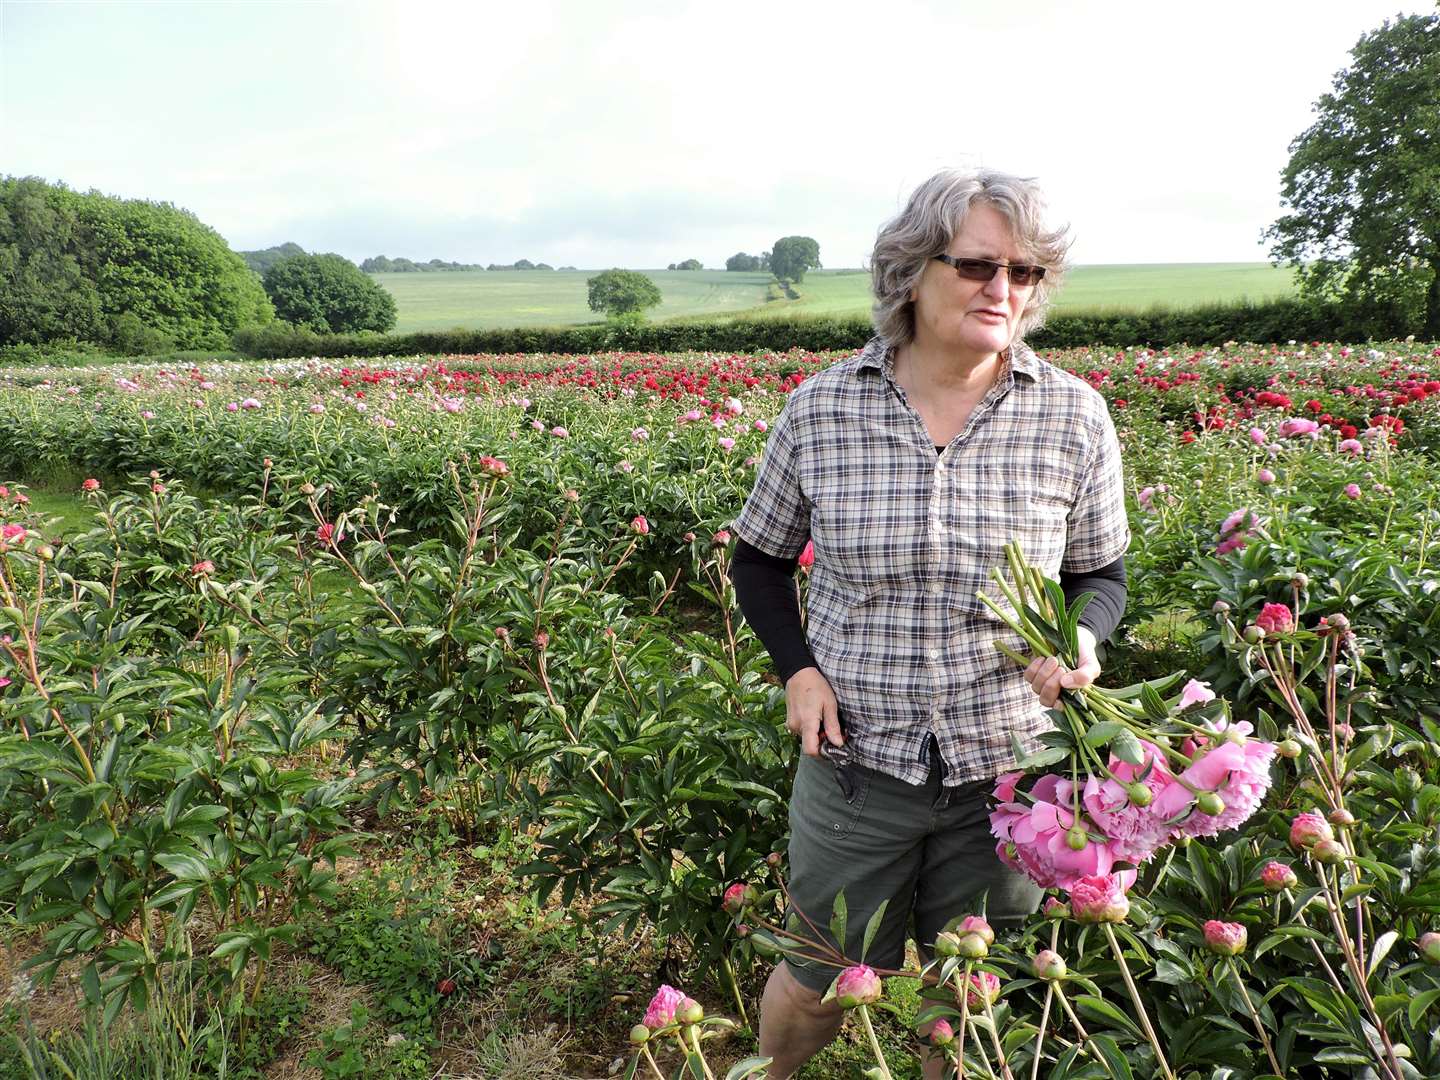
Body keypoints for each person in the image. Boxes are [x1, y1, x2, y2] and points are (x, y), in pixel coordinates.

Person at [730, 168, 1130, 1079]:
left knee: (969, 997)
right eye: (981, 266)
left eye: (1026, 273)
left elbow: (1100, 572)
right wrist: (799, 669)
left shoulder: (1072, 415)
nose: (1005, 291)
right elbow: (757, 560)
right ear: (912, 271)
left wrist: (1083, 636)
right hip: (858, 757)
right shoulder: (823, 409)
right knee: (823, 977)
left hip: (1006, 768)